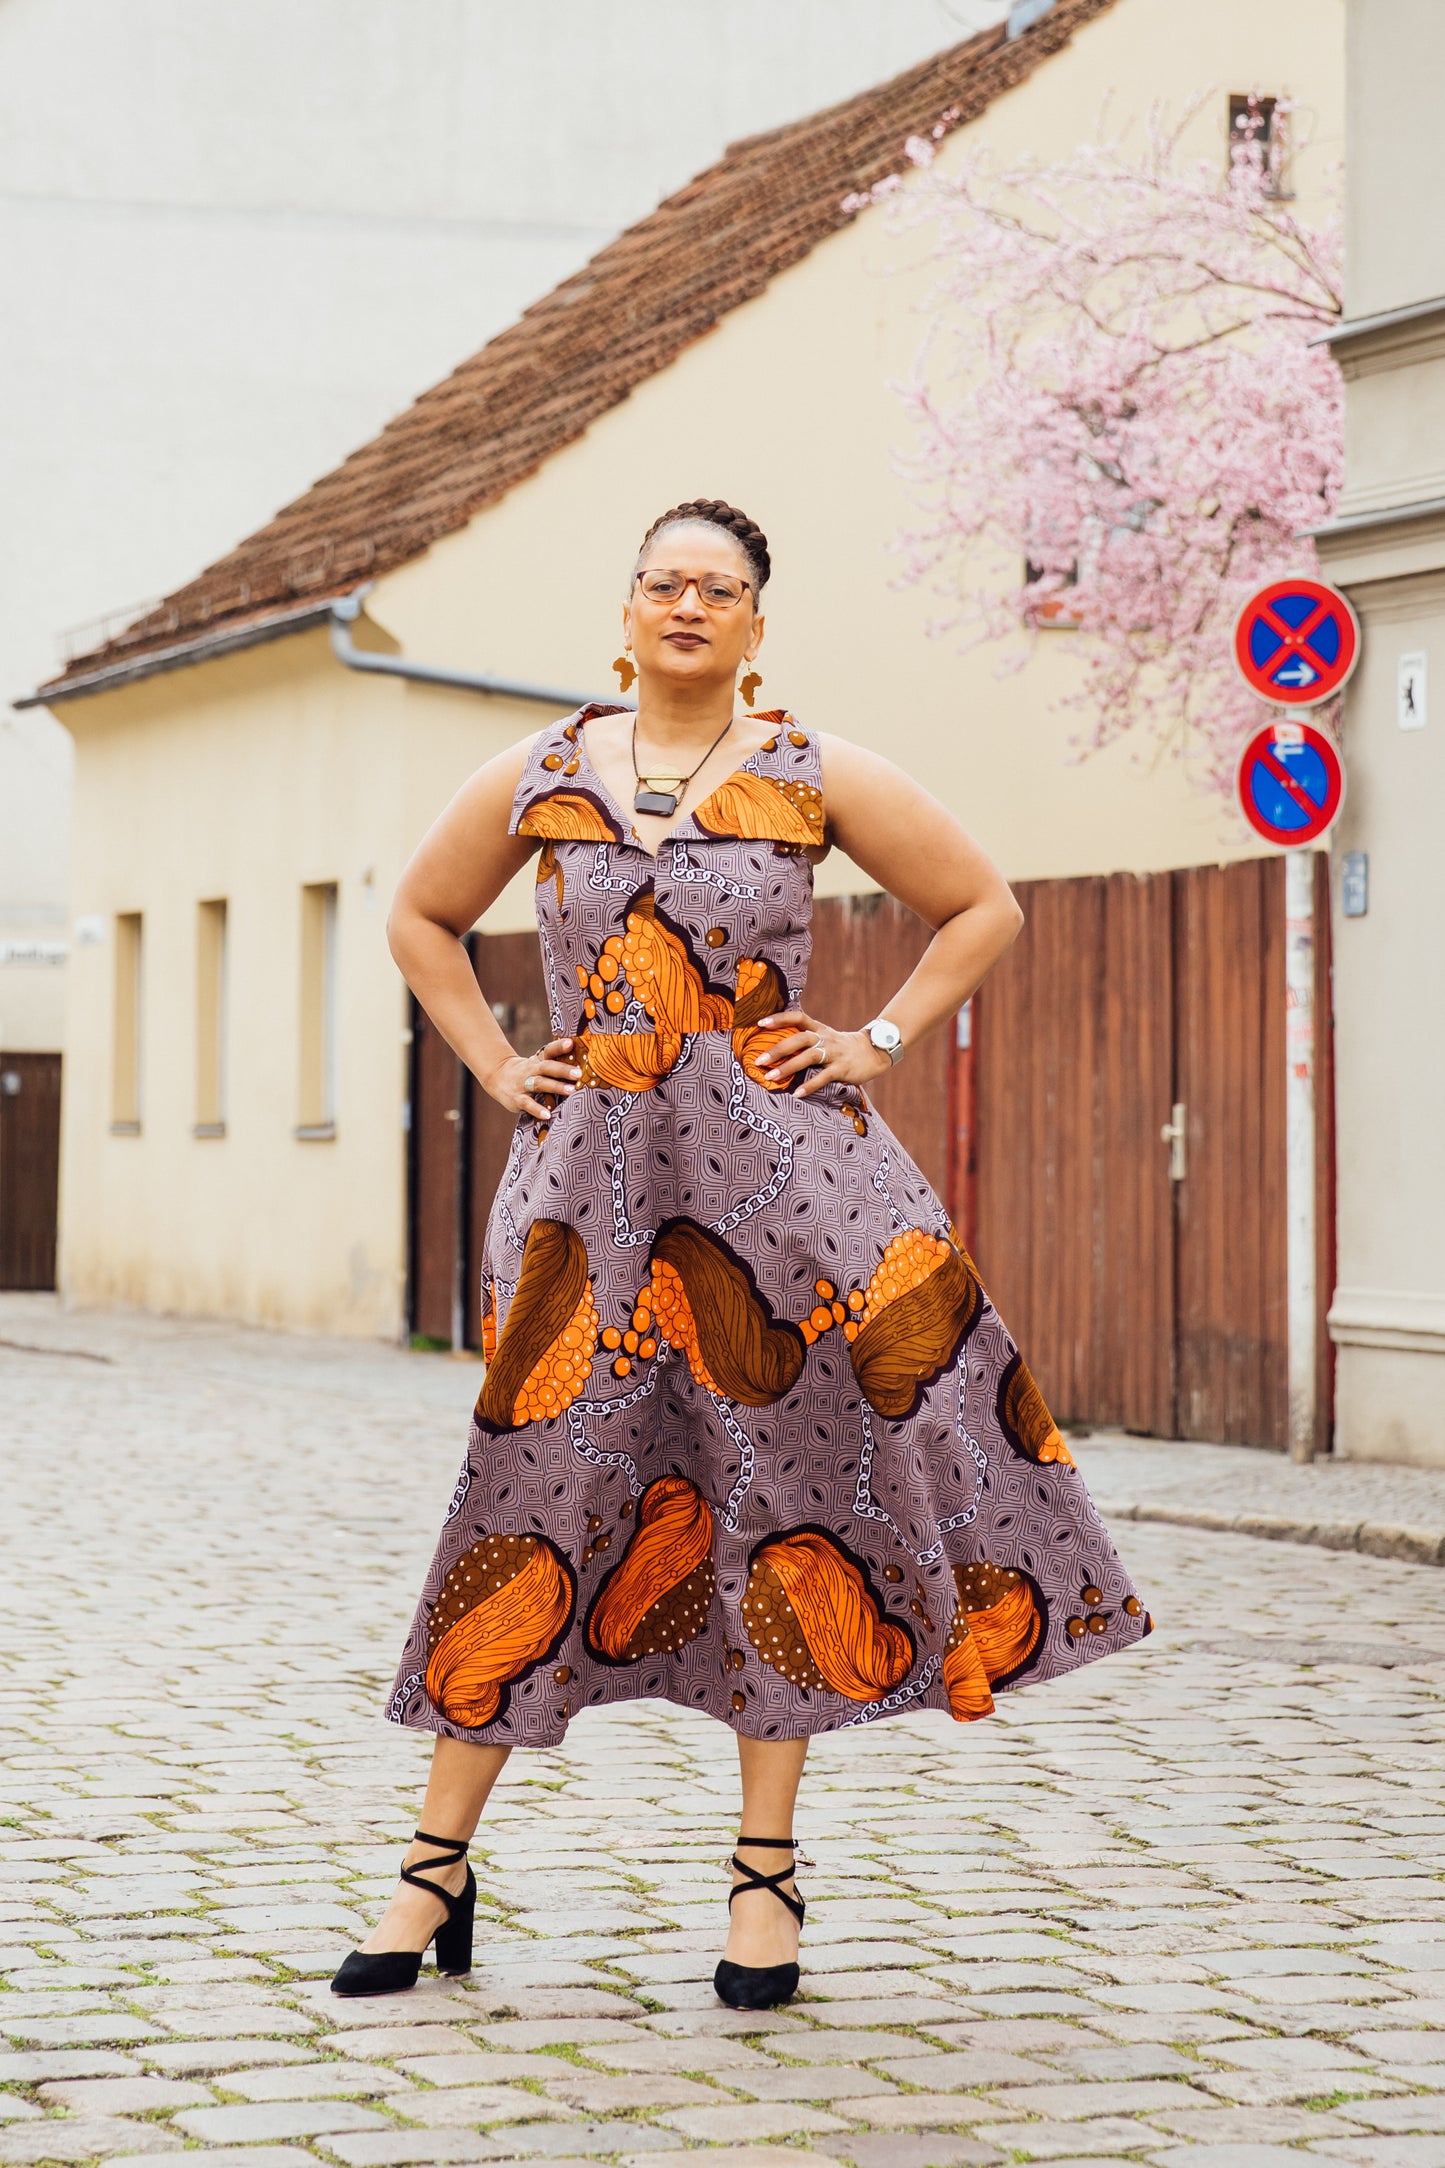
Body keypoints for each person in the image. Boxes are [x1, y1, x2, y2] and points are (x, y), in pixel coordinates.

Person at [332, 498, 1149, 2007]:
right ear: (625, 609)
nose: (688, 606)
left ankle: (762, 1880)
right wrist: (494, 1063)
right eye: (663, 583)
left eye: (718, 589)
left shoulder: (813, 772)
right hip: (590, 1212)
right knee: (533, 1502)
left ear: (757, 625)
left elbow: (981, 905)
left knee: (787, 1515)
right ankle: (433, 1869)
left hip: (785, 1209)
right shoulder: (540, 772)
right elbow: (419, 918)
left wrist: (878, 1038)